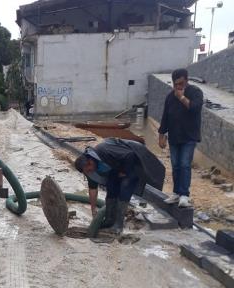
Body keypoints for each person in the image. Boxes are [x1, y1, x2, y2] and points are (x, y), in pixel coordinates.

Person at [74, 138, 165, 233]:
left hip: (135, 160)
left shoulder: (104, 150)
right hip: (118, 164)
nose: (90, 172)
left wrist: (125, 172)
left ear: (90, 161)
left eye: (89, 170)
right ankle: (109, 220)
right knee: (111, 187)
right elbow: (92, 188)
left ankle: (118, 224)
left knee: (125, 187)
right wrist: (93, 211)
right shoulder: (91, 169)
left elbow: (130, 155)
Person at [159, 68, 204, 208]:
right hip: (174, 136)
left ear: (186, 80)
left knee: (185, 164)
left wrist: (182, 97)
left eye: (181, 83)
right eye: (176, 84)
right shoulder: (170, 97)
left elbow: (194, 108)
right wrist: (162, 134)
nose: (179, 87)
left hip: (189, 136)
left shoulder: (195, 92)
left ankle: (184, 195)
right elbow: (165, 116)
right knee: (176, 165)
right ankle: (176, 193)